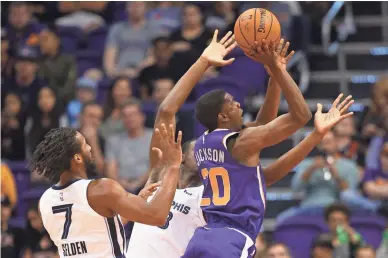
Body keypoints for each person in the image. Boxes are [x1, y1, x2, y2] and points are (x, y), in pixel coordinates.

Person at [127, 30, 354, 258]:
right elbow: (166, 111)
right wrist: (203, 62)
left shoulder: (207, 199)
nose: (203, 149)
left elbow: (263, 160)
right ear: (182, 156)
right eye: (193, 147)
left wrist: (277, 81)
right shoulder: (159, 178)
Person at [31, 124, 183, 257]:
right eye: (85, 144)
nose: (90, 147)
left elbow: (94, 230)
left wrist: (138, 200)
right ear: (78, 158)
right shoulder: (101, 189)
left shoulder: (44, 201)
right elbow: (157, 215)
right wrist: (173, 166)